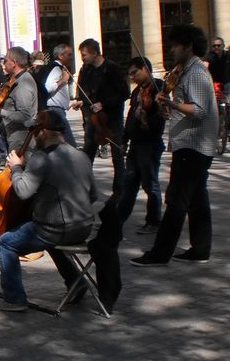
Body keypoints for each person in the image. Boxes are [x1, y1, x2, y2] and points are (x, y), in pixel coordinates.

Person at [131, 25, 218, 266]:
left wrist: (174, 104)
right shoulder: (186, 72)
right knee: (198, 199)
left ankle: (160, 253)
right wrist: (170, 107)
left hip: (194, 145)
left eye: (175, 45)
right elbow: (189, 107)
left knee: (176, 200)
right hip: (190, 143)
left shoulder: (197, 73)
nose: (171, 49)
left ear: (188, 46)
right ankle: (201, 249)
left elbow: (199, 110)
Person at [0, 110, 97, 311]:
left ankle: (14, 299)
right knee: (48, 238)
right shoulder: (81, 155)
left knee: (5, 243)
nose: (32, 137)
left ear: (43, 133)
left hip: (57, 229)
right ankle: (75, 281)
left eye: (34, 132)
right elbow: (93, 196)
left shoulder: (42, 158)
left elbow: (23, 191)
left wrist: (16, 167)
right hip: (84, 226)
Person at [72, 38, 129, 192]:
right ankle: (84, 188)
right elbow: (84, 91)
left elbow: (124, 93)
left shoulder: (112, 69)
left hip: (112, 117)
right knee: (88, 153)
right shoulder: (86, 69)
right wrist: (80, 101)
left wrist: (103, 104)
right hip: (93, 119)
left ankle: (119, 190)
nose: (82, 58)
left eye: (84, 55)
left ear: (95, 53)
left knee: (117, 155)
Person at [117, 57, 165, 234]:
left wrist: (147, 119)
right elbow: (131, 117)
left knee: (150, 184)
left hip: (150, 143)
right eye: (129, 74)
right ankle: (118, 219)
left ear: (145, 69)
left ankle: (153, 221)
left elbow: (159, 119)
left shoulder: (158, 87)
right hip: (136, 144)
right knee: (129, 183)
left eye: (134, 73)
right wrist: (124, 138)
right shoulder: (138, 91)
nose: (132, 77)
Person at [0, 46, 38, 153]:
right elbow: (13, 110)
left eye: (5, 61)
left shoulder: (23, 83)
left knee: (17, 169)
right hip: (15, 138)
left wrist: (0, 111)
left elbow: (25, 115)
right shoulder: (16, 81)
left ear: (14, 63)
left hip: (21, 140)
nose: (3, 64)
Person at [41, 43, 77, 147]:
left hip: (57, 109)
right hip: (55, 110)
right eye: (69, 55)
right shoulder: (56, 69)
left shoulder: (59, 68)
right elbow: (48, 87)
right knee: (70, 143)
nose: (71, 57)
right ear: (61, 56)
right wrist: (63, 80)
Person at [205, 36, 230, 140]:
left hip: (228, 83)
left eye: (218, 45)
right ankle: (217, 129)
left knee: (229, 107)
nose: (216, 48)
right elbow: (204, 66)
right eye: (214, 46)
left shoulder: (229, 55)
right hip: (214, 83)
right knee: (213, 107)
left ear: (223, 46)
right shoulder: (210, 56)